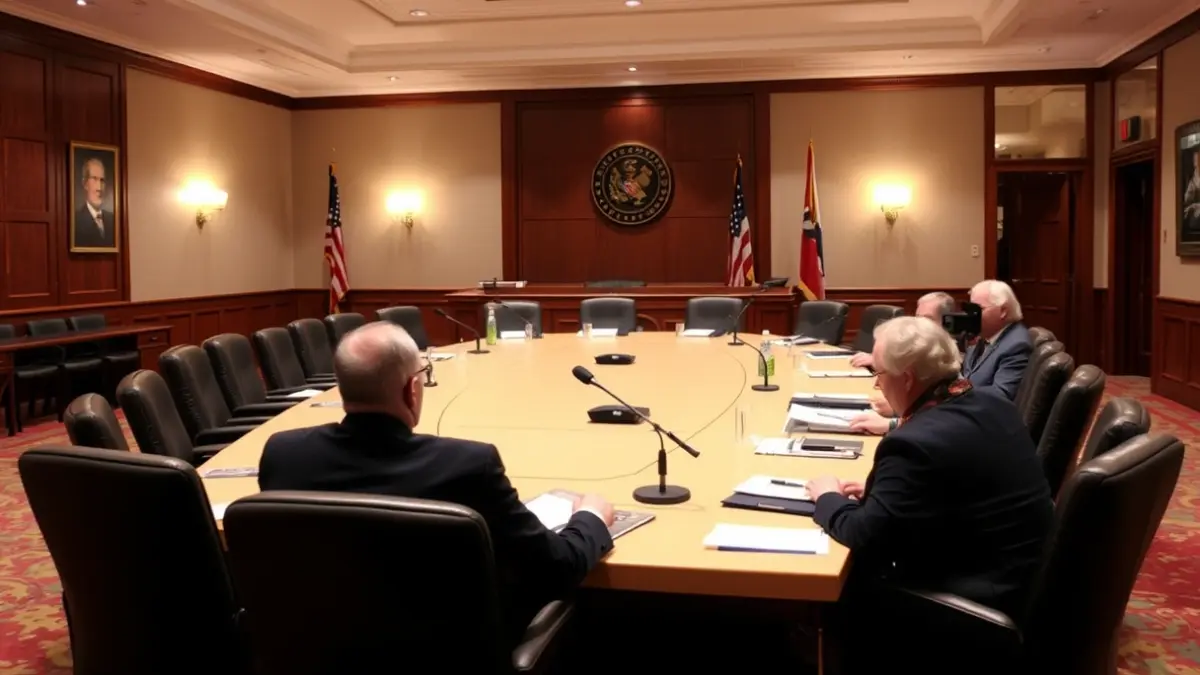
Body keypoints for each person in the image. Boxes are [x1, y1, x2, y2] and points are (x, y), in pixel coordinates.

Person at [258, 322, 616, 646]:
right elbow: (555, 569)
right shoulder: (469, 466)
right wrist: (589, 518)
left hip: (318, 650)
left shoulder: (283, 454)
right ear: (412, 389)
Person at [806, 316, 1052, 618]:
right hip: (1022, 575)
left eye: (879, 373)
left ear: (907, 378)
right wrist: (882, 496)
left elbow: (866, 537)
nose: (876, 383)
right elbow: (950, 486)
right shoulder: (992, 403)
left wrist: (828, 497)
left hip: (975, 600)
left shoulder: (912, 444)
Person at [849, 280, 1031, 434]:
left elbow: (998, 398)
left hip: (978, 431)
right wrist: (909, 405)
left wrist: (897, 422)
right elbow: (958, 385)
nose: (969, 315)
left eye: (977, 309)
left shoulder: (1015, 344)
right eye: (969, 308)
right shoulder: (984, 338)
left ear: (1003, 311)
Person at [849, 292, 956, 369]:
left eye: (927, 318)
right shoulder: (915, 339)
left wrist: (881, 363)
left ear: (947, 322)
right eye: (918, 317)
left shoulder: (950, 351)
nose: (920, 323)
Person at [73, 157, 116, 249]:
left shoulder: (113, 219)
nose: (99, 188)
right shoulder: (76, 221)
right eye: (95, 179)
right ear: (85, 184)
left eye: (102, 180)